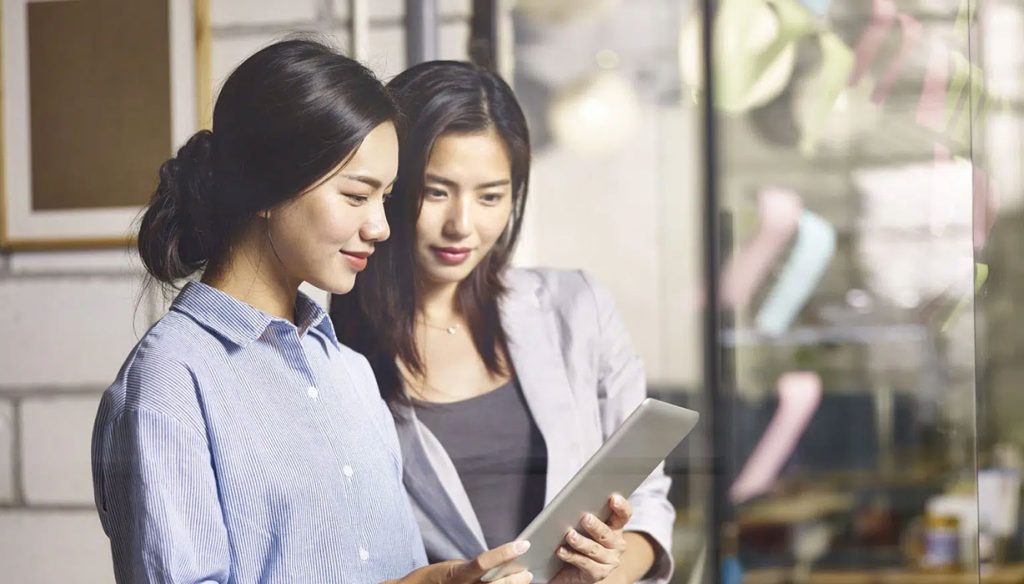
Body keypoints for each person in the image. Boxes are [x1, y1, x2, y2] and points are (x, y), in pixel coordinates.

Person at [91, 40, 532, 584]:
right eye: (355, 196)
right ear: (266, 186)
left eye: (386, 198)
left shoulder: (349, 371)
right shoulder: (170, 385)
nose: (381, 227)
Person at [331, 61, 675, 584]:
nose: (462, 225)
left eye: (490, 196)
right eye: (437, 191)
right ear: (392, 187)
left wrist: (609, 569)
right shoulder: (334, 354)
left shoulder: (576, 307)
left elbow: (647, 502)